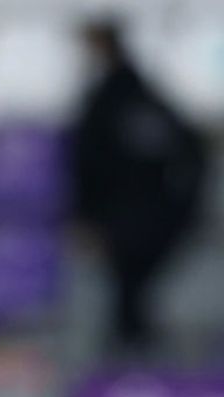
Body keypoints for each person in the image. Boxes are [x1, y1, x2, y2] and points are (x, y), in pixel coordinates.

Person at [70, 18, 208, 355]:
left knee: (129, 299)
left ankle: (129, 364)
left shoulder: (116, 99)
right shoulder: (140, 94)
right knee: (128, 300)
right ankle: (132, 355)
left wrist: (86, 216)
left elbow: (88, 164)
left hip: (128, 217)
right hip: (146, 215)